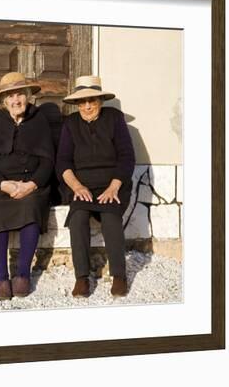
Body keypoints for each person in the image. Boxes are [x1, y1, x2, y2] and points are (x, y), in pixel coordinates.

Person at [55, 75, 135, 298]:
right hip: (83, 186)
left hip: (113, 183)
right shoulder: (70, 124)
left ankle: (119, 274)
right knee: (78, 217)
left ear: (100, 101)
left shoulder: (114, 118)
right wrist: (77, 187)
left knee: (110, 217)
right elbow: (62, 161)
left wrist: (114, 187)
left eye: (92, 100)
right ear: (77, 103)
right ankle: (82, 277)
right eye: (83, 101)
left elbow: (127, 157)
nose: (88, 106)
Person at [0, 72, 55, 300]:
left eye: (20, 95)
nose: (16, 100)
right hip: (3, 184)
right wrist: (3, 184)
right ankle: (2, 277)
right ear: (4, 101)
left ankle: (23, 274)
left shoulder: (39, 120)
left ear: (27, 96)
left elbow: (48, 160)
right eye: (11, 96)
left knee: (31, 206)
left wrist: (32, 185)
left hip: (33, 182)